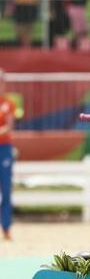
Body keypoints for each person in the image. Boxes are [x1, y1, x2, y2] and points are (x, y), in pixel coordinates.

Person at [0, 69, 16, 240]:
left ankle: (6, 227)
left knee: (5, 188)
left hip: (4, 148)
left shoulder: (8, 103)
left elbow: (9, 126)